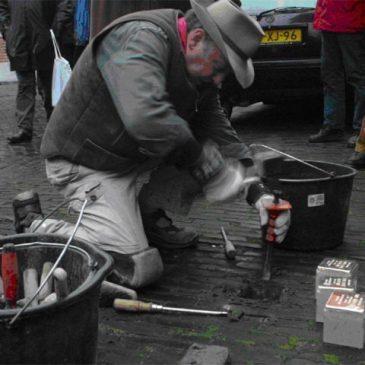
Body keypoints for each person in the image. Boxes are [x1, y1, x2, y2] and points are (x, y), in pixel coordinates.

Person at [14, 0, 291, 289]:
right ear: (196, 38)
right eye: (220, 67)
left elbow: (218, 132)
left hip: (128, 157)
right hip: (85, 162)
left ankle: (145, 217)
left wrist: (257, 192)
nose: (220, 80)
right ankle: (35, 225)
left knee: (210, 157)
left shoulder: (197, 69)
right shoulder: (139, 37)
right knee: (137, 268)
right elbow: (145, 118)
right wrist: (205, 163)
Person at [0, 0, 66, 144]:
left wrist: (54, 29)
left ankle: (54, 125)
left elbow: (64, 5)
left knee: (48, 85)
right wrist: (7, 30)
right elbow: (2, 8)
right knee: (24, 86)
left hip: (44, 40)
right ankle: (24, 129)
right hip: (18, 40)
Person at [308, 0, 365, 145]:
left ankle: (361, 131)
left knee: (358, 77)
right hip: (329, 21)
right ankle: (333, 126)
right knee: (330, 77)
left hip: (352, 22)